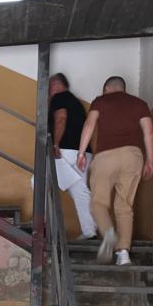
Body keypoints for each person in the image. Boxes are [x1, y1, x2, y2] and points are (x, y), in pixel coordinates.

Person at [76, 76, 153, 265]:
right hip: (133, 156)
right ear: (123, 88)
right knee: (125, 206)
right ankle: (123, 253)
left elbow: (89, 125)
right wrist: (150, 161)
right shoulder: (139, 104)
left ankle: (109, 233)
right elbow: (149, 132)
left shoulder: (100, 101)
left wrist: (81, 153)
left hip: (106, 157)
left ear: (106, 88)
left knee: (98, 203)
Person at [48, 73, 96, 239]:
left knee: (39, 183)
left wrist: (55, 144)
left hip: (66, 151)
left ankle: (45, 228)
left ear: (55, 85)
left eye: (49, 88)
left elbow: (60, 119)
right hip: (83, 152)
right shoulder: (75, 102)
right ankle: (90, 231)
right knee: (80, 191)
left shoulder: (59, 98)